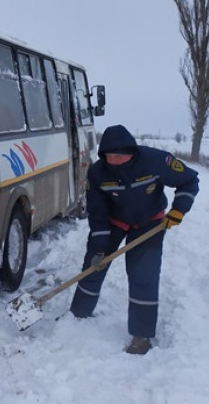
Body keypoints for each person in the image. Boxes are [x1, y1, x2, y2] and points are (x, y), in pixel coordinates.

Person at [69, 124, 199, 354]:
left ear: (131, 152)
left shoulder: (156, 161)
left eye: (119, 156)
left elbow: (189, 180)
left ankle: (142, 335)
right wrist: (100, 246)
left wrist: (179, 209)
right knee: (93, 266)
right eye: (109, 156)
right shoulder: (98, 173)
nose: (113, 160)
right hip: (114, 221)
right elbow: (97, 213)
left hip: (149, 222)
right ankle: (77, 315)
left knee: (143, 275)